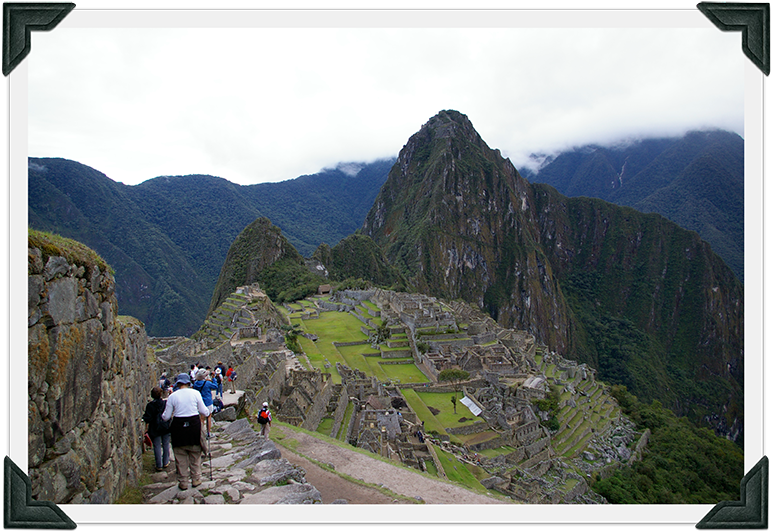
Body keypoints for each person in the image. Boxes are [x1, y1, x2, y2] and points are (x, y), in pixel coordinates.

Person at [162, 373, 210, 490]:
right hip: (193, 426)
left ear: (178, 383)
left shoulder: (173, 396)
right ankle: (196, 478)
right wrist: (207, 414)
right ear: (189, 383)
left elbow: (166, 417)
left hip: (178, 428)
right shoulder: (195, 393)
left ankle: (183, 481)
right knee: (195, 454)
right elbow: (204, 411)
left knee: (180, 455)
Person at [142, 386, 171, 472]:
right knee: (166, 444)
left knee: (157, 446)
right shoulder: (165, 403)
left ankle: (159, 465)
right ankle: (166, 461)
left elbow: (147, 418)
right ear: (161, 394)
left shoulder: (150, 405)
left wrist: (146, 428)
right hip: (165, 426)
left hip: (155, 427)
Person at [192, 370, 218, 434]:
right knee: (209, 416)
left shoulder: (195, 384)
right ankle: (208, 433)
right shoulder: (207, 383)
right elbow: (215, 386)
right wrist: (213, 378)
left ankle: (201, 432)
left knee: (201, 418)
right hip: (208, 401)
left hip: (200, 402)